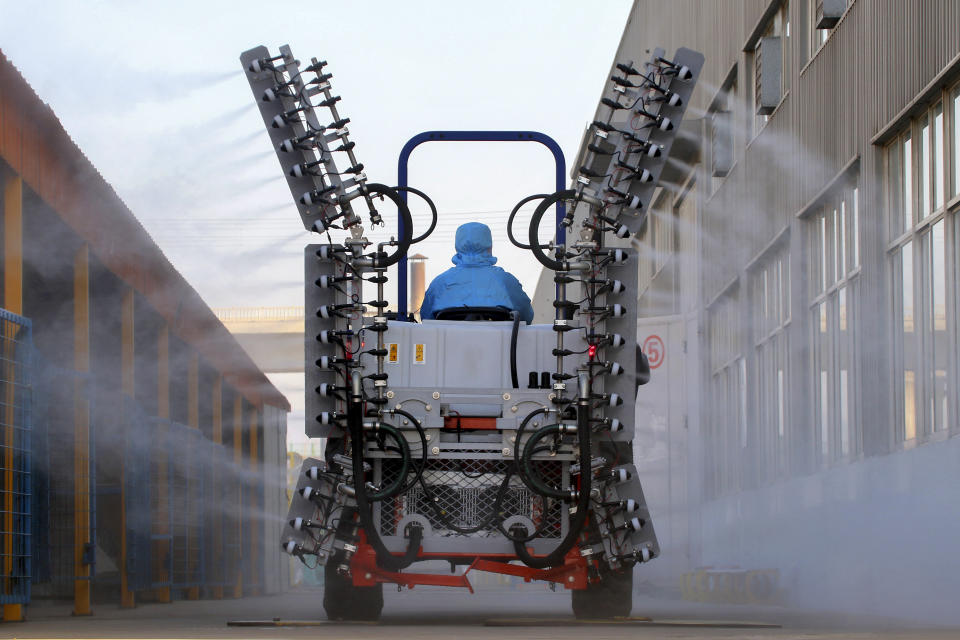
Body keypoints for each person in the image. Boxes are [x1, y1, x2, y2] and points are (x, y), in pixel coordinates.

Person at [420, 222, 534, 323]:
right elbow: (527, 316)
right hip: (498, 345)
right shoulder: (505, 281)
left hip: (449, 345)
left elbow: (425, 319)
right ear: (489, 246)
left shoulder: (440, 283)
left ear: (458, 247)